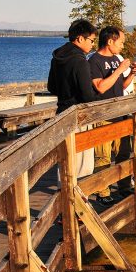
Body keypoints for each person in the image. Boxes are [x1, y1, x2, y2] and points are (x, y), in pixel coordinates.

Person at [89, 26, 136, 204]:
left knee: (123, 153)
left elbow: (122, 86)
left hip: (121, 113)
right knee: (103, 156)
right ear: (110, 41)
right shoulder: (94, 61)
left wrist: (132, 74)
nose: (122, 46)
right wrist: (119, 70)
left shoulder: (115, 59)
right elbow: (101, 87)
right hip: (103, 115)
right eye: (121, 42)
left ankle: (124, 186)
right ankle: (102, 192)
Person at [47, 19, 99, 177]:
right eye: (91, 40)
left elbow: (52, 87)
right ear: (80, 38)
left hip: (62, 112)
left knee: (65, 161)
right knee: (83, 165)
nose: (92, 45)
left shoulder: (57, 58)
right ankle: (77, 199)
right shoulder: (80, 61)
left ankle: (64, 197)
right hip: (79, 116)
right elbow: (87, 96)